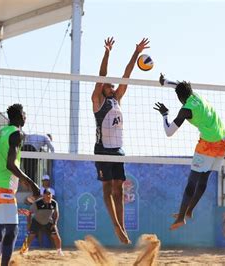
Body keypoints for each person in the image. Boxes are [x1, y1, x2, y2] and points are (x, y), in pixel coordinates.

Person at [91, 37, 149, 244]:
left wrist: (136, 52)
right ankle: (116, 225)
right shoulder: (98, 101)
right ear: (102, 88)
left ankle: (122, 226)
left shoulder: (117, 99)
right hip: (103, 150)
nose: (113, 86)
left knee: (120, 189)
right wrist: (107, 53)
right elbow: (102, 75)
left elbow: (127, 74)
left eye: (113, 86)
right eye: (109, 85)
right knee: (108, 188)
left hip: (117, 151)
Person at [154, 74, 225, 231]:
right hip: (223, 140)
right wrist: (165, 82)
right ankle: (189, 211)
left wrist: (165, 115)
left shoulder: (186, 110)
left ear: (180, 98)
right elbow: (178, 86)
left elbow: (169, 132)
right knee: (203, 179)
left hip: (209, 144)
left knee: (192, 182)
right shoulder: (195, 95)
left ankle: (181, 218)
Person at [0, 103, 40, 266]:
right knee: (12, 231)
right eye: (23, 113)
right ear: (18, 116)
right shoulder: (17, 133)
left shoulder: (0, 132)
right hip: (3, 187)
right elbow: (10, 164)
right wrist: (32, 183)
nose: (25, 116)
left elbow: (1, 161)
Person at [20, 188, 63, 256]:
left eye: (50, 195)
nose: (49, 197)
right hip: (37, 221)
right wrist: (29, 224)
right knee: (30, 236)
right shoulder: (37, 203)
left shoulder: (54, 203)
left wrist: (55, 223)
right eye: (47, 195)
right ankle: (25, 250)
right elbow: (29, 213)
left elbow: (56, 213)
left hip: (49, 221)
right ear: (43, 195)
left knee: (56, 236)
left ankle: (59, 251)